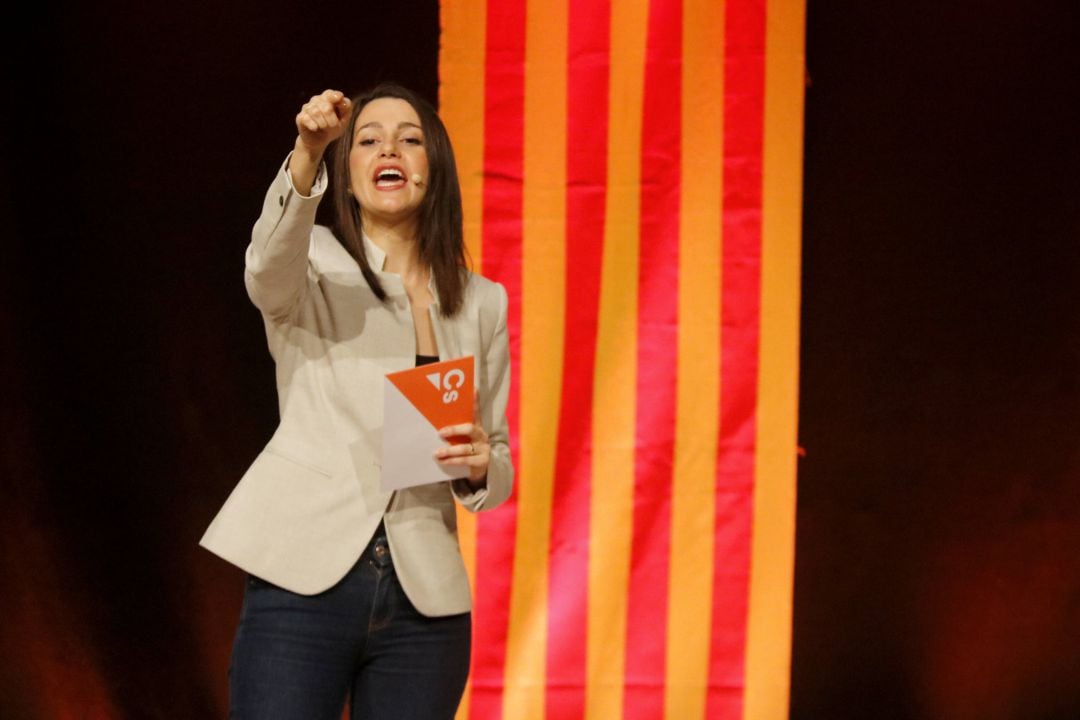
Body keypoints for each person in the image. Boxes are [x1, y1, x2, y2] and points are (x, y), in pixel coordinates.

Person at [199, 84, 513, 720]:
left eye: (409, 138)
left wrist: (481, 464)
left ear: (435, 167)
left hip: (424, 602)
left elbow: (498, 458)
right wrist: (308, 152)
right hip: (303, 580)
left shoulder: (482, 301)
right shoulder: (309, 263)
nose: (388, 149)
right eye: (368, 140)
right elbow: (265, 267)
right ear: (345, 176)